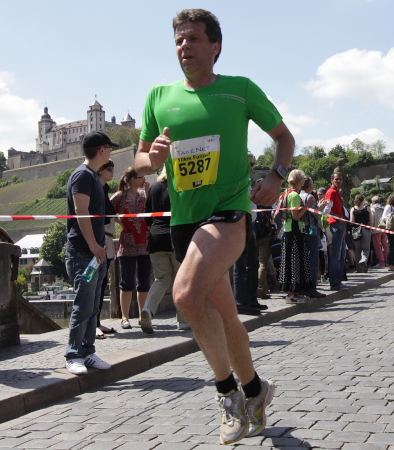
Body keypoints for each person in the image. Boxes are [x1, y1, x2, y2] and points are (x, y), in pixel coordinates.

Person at [134, 9, 293, 444]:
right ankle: (256, 389)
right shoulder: (158, 96)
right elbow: (140, 161)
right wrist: (154, 158)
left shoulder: (240, 89)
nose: (184, 46)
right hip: (184, 219)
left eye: (193, 38)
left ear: (215, 46)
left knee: (186, 296)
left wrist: (276, 176)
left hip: (228, 211)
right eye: (178, 41)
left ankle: (228, 395)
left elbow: (284, 137)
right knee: (223, 315)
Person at [64, 131, 116, 375]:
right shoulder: (83, 175)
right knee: (83, 305)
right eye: (110, 148)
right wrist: (94, 245)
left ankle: (87, 351)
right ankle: (73, 354)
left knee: (93, 306)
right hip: (84, 252)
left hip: (95, 252)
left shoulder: (92, 176)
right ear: (102, 150)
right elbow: (80, 211)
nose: (112, 152)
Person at [140, 168, 188, 333]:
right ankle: (183, 320)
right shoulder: (180, 186)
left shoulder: (153, 188)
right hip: (176, 237)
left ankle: (147, 309)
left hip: (155, 238)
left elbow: (147, 216)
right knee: (181, 279)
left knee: (161, 279)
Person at [111, 167, 151, 330]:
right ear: (133, 179)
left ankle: (143, 315)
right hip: (127, 244)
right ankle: (125, 317)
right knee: (126, 282)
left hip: (145, 243)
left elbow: (152, 211)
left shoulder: (143, 195)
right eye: (141, 177)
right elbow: (106, 210)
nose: (144, 180)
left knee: (144, 282)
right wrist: (118, 221)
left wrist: (148, 194)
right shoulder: (120, 196)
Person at [233, 153, 267, 315]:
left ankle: (251, 299)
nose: (252, 167)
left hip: (249, 224)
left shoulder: (247, 182)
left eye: (253, 164)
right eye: (249, 164)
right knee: (240, 266)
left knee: (253, 264)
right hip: (239, 225)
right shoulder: (236, 181)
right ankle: (240, 302)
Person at [278, 170, 312, 304]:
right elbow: (295, 216)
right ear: (299, 180)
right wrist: (307, 205)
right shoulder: (294, 195)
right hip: (294, 231)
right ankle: (291, 294)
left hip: (288, 230)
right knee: (294, 263)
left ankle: (295, 292)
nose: (305, 180)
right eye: (303, 178)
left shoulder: (286, 193)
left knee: (292, 262)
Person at [95, 159, 118, 339]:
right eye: (108, 168)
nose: (112, 171)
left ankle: (96, 321)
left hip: (107, 238)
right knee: (95, 283)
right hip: (100, 238)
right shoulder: (96, 190)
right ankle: (92, 324)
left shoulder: (104, 190)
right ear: (100, 170)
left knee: (102, 283)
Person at [298, 176, 326, 298]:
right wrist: (321, 207)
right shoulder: (310, 197)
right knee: (312, 261)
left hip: (301, 231)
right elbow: (317, 215)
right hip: (311, 231)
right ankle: (311, 288)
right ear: (310, 186)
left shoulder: (298, 195)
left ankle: (302, 287)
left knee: (303, 261)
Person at [323, 172, 348, 290]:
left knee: (341, 255)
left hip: (340, 224)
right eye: (336, 179)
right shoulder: (331, 192)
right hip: (335, 225)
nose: (338, 181)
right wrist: (339, 217)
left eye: (340, 179)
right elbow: (327, 210)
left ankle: (338, 280)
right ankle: (334, 282)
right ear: (332, 180)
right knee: (336, 255)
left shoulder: (336, 192)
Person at [350, 194, 372, 273]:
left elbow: (352, 221)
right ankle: (364, 260)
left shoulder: (353, 209)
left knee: (357, 250)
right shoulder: (367, 209)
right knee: (366, 249)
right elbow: (371, 220)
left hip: (356, 231)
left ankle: (358, 269)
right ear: (363, 200)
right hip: (366, 229)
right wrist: (370, 229)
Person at [382, 193, 394, 272]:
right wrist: (393, 218)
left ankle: (392, 264)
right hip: (391, 229)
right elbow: (384, 218)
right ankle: (390, 265)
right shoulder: (388, 207)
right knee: (392, 247)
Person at [369, 196, 387, 269]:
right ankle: (385, 260)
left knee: (378, 247)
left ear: (373, 202)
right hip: (384, 229)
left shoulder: (372, 208)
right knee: (384, 245)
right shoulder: (384, 208)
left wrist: (371, 228)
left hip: (376, 229)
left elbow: (372, 219)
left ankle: (381, 262)